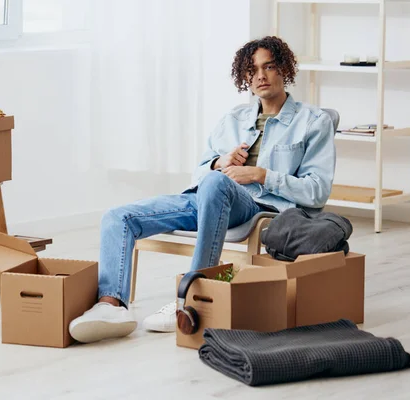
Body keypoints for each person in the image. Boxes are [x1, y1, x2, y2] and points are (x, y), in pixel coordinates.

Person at [68, 36, 336, 344]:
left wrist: (261, 174)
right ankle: (111, 306)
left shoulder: (314, 122)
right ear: (244, 76)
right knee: (118, 217)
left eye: (269, 67)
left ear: (284, 70)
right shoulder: (233, 119)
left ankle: (193, 296)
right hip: (208, 198)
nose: (260, 76)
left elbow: (317, 191)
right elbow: (199, 172)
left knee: (216, 182)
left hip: (259, 206)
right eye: (252, 70)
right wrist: (218, 163)